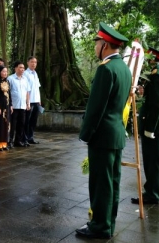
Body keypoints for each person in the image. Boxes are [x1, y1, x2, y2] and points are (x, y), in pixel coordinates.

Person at [76, 22, 131, 239]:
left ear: (105, 46)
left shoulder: (106, 69)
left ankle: (99, 226)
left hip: (102, 136)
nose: (95, 47)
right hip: (115, 134)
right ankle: (108, 223)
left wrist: (86, 134)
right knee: (112, 183)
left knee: (100, 183)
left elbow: (95, 108)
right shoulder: (124, 68)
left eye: (97, 43)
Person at [131, 47, 159, 205]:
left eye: (150, 59)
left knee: (151, 161)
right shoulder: (153, 76)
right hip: (154, 126)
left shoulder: (156, 76)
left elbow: (155, 104)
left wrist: (150, 129)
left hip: (153, 128)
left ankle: (152, 193)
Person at [8, 61, 30, 148]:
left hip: (23, 106)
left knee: (21, 124)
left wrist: (28, 103)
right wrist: (10, 104)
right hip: (14, 106)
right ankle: (10, 141)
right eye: (20, 67)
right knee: (13, 124)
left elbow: (27, 92)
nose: (22, 69)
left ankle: (18, 140)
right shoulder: (10, 79)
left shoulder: (25, 79)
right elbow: (8, 93)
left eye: (23, 68)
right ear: (15, 68)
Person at [0, 65, 12, 151]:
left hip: (7, 105)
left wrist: (11, 105)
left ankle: (4, 143)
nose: (5, 73)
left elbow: (9, 94)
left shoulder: (7, 81)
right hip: (0, 106)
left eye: (6, 71)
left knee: (6, 124)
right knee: (0, 124)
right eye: (3, 71)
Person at [24, 56, 41, 144]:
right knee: (27, 120)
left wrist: (39, 100)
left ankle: (30, 137)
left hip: (36, 100)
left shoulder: (35, 73)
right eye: (32, 62)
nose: (33, 64)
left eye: (35, 62)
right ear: (28, 62)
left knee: (33, 121)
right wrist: (27, 101)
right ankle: (25, 137)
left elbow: (37, 88)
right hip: (29, 101)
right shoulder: (26, 74)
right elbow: (26, 89)